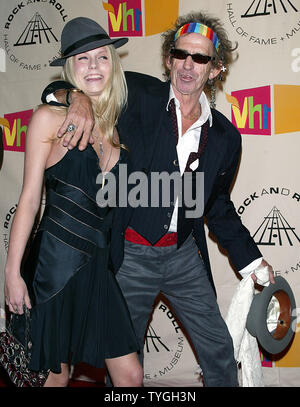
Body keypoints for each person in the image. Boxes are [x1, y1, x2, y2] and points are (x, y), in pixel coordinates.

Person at [42, 12, 275, 387]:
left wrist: (252, 261)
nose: (188, 65)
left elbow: (216, 206)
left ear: (214, 70)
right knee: (122, 362)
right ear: (169, 60)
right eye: (181, 54)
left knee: (218, 349)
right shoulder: (136, 94)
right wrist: (78, 99)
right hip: (130, 254)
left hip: (183, 256)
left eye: (200, 58)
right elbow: (63, 86)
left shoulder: (227, 138)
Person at [3, 17, 143, 387]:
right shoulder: (49, 119)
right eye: (82, 59)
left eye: (101, 57)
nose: (93, 66)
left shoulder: (116, 129)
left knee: (130, 374)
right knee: (56, 377)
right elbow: (30, 200)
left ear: (113, 64)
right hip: (55, 269)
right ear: (70, 68)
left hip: (99, 270)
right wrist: (12, 273)